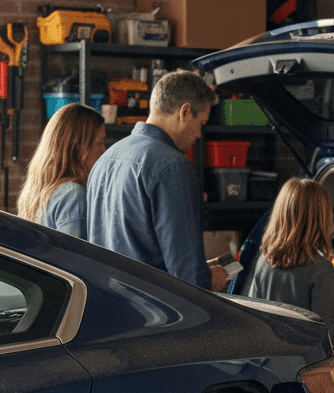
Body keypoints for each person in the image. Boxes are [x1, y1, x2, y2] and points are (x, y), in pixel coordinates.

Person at [85, 69, 227, 291]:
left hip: (110, 308)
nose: (199, 134)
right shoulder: (173, 166)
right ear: (185, 111)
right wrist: (210, 281)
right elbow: (188, 278)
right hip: (158, 315)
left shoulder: (106, 158)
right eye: (201, 123)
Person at [242, 177, 334, 346]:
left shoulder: (263, 262)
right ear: (322, 219)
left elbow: (254, 316)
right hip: (303, 361)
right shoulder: (321, 269)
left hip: (270, 358)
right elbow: (324, 333)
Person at [17, 103, 106, 237]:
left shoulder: (39, 189)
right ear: (77, 147)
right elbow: (73, 256)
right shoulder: (73, 194)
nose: (104, 151)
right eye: (99, 143)